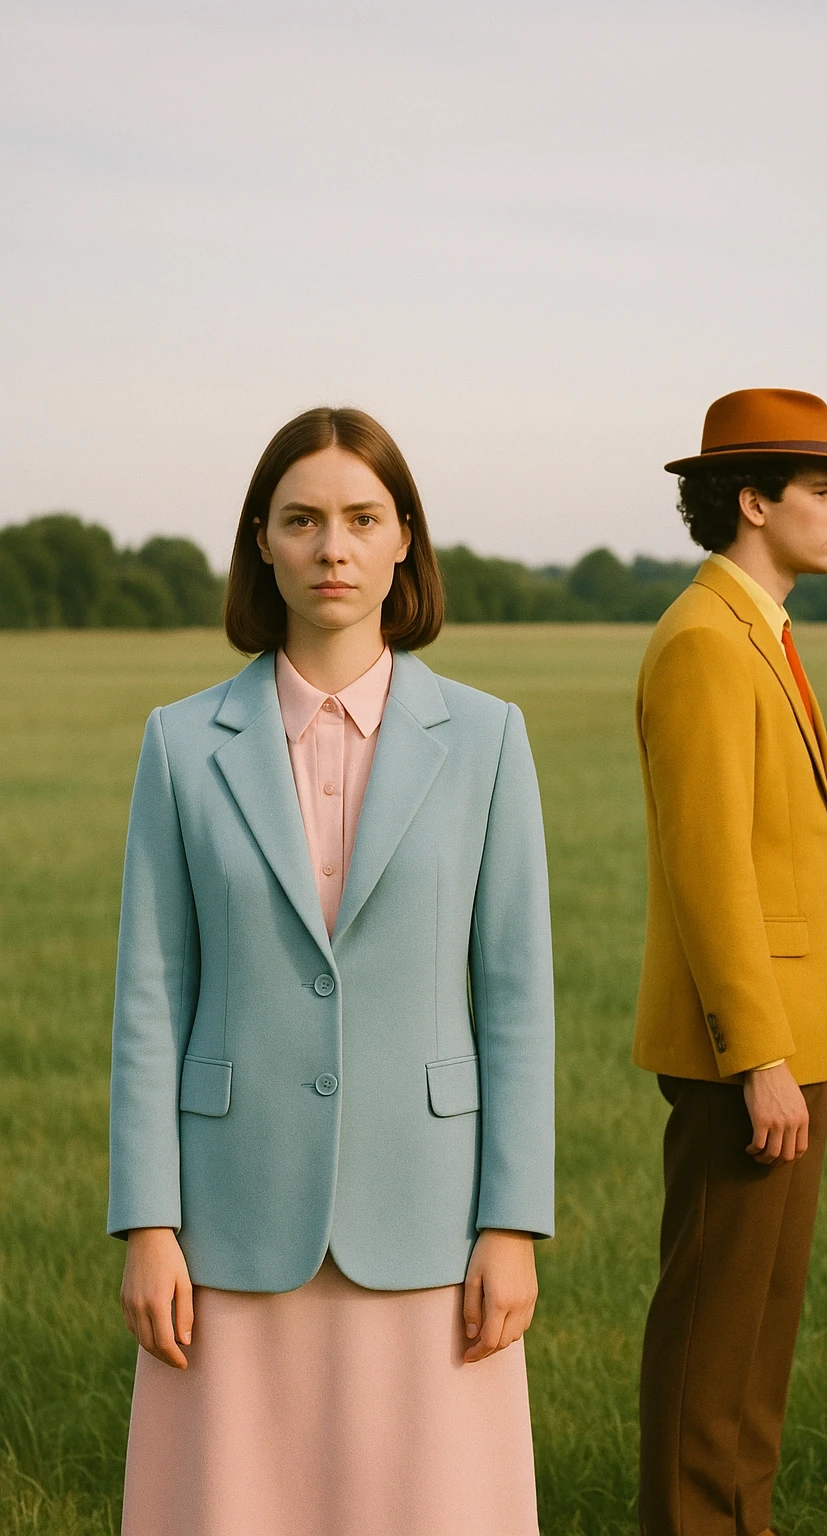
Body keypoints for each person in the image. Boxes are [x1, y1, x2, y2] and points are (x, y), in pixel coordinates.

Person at [108, 406, 555, 1536]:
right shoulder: (179, 744)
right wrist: (149, 1225)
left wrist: (511, 1224)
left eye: (362, 518)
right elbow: (150, 1000)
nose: (333, 548)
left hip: (429, 1213)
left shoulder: (489, 739)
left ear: (405, 539)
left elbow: (515, 999)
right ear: (261, 541)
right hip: (229, 1216)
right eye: (302, 520)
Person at [633, 389, 827, 1536]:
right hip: (747, 1062)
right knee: (712, 1343)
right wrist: (762, 1058)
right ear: (753, 501)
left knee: (758, 1343)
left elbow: (790, 865)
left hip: (796, 1047)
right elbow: (710, 871)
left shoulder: (758, 633)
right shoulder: (701, 643)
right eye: (823, 490)